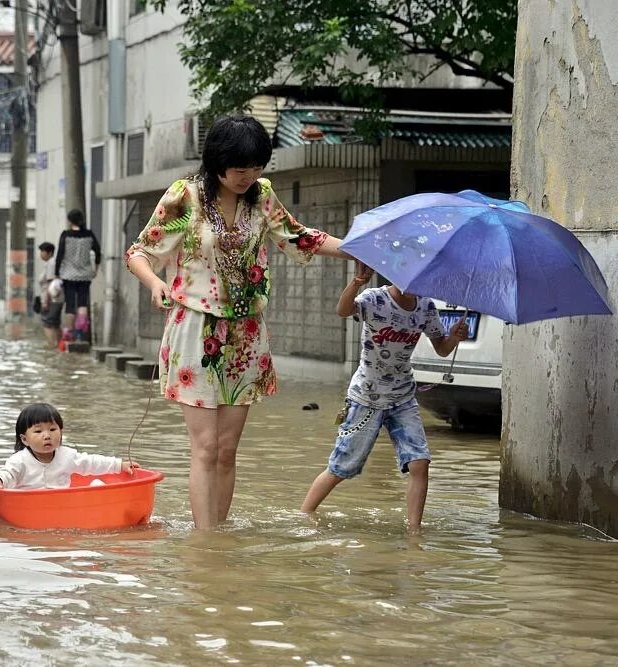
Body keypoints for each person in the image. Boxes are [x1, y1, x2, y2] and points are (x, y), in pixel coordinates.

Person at [125, 115, 354, 529]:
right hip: (195, 329)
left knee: (228, 448)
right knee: (206, 446)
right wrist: (155, 282)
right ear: (216, 164)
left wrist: (359, 250)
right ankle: (205, 541)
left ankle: (219, 538)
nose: (249, 176)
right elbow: (140, 251)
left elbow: (300, 237)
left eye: (257, 168)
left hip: (246, 335)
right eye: (240, 169)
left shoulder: (261, 197)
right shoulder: (186, 196)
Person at [300, 264, 470, 534]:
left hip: (403, 397)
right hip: (366, 397)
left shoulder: (426, 307)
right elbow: (343, 311)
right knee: (342, 466)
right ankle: (305, 514)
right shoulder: (373, 299)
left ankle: (414, 531)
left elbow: (441, 349)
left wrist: (454, 337)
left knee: (419, 462)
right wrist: (357, 281)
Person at [0, 402, 137, 490]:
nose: (47, 435)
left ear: (61, 432)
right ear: (24, 439)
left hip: (62, 504)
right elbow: (8, 473)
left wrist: (119, 465)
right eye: (38, 431)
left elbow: (91, 462)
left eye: (52, 429)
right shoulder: (19, 460)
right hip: (28, 506)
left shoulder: (67, 456)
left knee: (97, 485)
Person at [55, 209, 101, 341]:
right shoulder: (89, 234)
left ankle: (68, 333)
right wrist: (95, 269)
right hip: (85, 275)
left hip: (68, 275)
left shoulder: (66, 235)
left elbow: (60, 255)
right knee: (82, 303)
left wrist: (57, 273)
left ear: (70, 220)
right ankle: (80, 333)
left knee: (70, 304)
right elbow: (98, 252)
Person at [37, 242, 62, 348]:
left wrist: (45, 301)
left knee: (48, 323)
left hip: (52, 299)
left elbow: (50, 284)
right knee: (55, 323)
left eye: (43, 251)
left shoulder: (51, 263)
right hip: (54, 298)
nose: (41, 254)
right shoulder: (50, 263)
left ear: (50, 252)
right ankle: (59, 346)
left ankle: (51, 346)